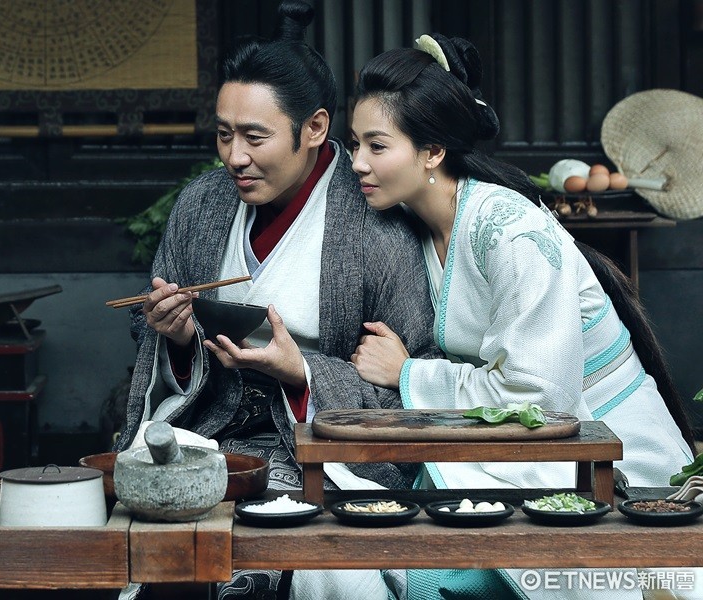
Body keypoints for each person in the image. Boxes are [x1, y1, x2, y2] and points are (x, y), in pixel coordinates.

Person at [348, 32, 697, 600]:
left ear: (432, 152)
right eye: (354, 143)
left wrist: (408, 373)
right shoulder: (421, 229)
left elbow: (540, 397)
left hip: (602, 447)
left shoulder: (510, 232)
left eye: (376, 146)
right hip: (521, 441)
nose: (358, 163)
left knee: (432, 560)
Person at [115, 2, 437, 598]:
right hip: (207, 435)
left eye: (254, 137)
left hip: (322, 453)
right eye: (224, 134)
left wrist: (302, 373)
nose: (234, 157)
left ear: (313, 128)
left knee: (278, 567)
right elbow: (146, 329)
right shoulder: (202, 204)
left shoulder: (375, 222)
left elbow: (410, 382)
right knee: (157, 554)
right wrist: (176, 339)